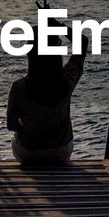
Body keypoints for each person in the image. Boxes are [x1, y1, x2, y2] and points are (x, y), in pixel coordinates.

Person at [6, 30, 89, 166]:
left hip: (29, 154)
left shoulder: (19, 87)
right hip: (60, 153)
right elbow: (83, 42)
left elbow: (11, 125)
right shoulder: (67, 81)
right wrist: (59, 27)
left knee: (16, 138)